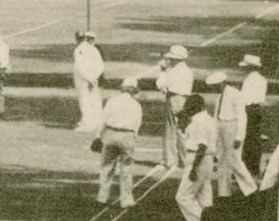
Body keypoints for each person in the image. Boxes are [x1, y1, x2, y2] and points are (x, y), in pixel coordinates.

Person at [206, 71, 258, 198]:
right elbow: (216, 117)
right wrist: (214, 134)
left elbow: (242, 116)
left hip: (232, 127)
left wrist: (239, 136)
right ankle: (224, 192)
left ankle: (251, 188)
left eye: (216, 85)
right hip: (221, 126)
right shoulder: (219, 97)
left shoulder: (235, 94)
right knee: (222, 161)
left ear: (223, 83)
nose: (214, 88)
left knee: (235, 160)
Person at [97, 77, 144, 209]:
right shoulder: (136, 105)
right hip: (127, 136)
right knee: (126, 169)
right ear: (133, 91)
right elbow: (137, 124)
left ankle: (102, 197)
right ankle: (126, 200)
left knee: (106, 167)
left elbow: (103, 119)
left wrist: (98, 136)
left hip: (110, 133)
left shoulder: (112, 101)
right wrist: (133, 138)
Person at [175, 94, 218, 221]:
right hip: (207, 160)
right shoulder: (208, 119)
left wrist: (194, 169)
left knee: (183, 197)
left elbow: (202, 147)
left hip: (198, 160)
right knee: (204, 197)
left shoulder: (198, 122)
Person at [153, 45, 194, 175]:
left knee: (170, 129)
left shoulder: (175, 71)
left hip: (174, 98)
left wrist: (163, 70)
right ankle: (185, 160)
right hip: (185, 99)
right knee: (182, 130)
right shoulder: (187, 71)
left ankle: (169, 161)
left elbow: (160, 84)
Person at [239, 54, 268, 174]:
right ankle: (254, 166)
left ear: (250, 67)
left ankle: (248, 166)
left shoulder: (249, 80)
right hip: (257, 109)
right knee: (255, 137)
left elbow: (245, 98)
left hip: (248, 109)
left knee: (248, 138)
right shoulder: (262, 80)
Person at [73, 30, 106, 132]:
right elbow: (101, 65)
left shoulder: (78, 50)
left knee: (85, 101)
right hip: (93, 79)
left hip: (83, 80)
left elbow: (79, 67)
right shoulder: (94, 49)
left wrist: (88, 79)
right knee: (95, 100)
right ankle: (97, 123)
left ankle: (88, 125)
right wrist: (94, 78)